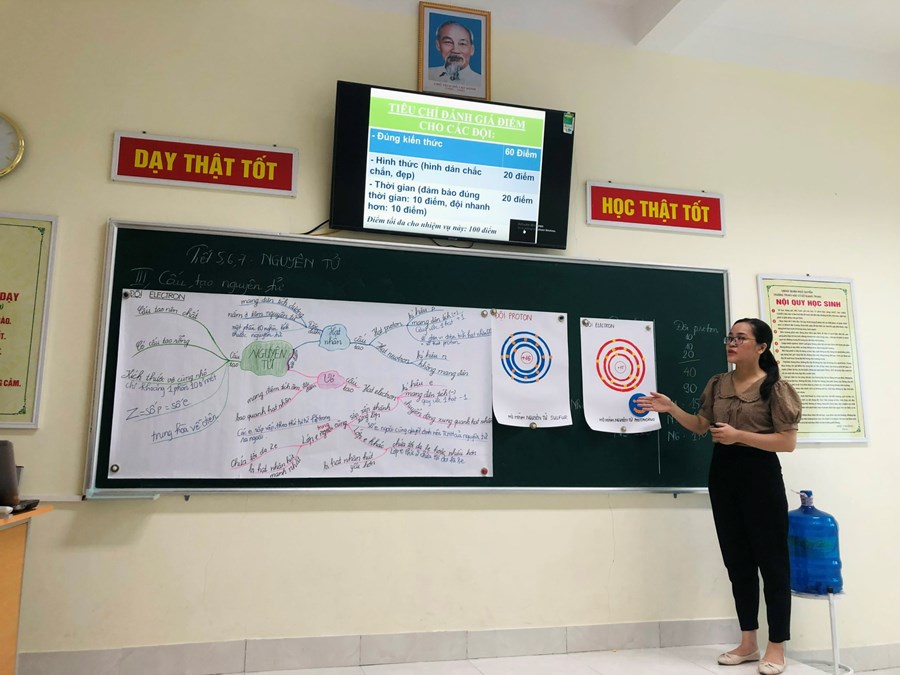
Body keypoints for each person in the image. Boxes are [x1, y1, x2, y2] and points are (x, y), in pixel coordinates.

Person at [636, 318, 801, 675]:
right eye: (730, 337)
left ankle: (776, 647)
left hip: (760, 477)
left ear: (761, 347)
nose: (732, 342)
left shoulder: (775, 387)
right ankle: (748, 642)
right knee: (737, 562)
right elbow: (701, 425)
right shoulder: (718, 383)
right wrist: (671, 408)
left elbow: (787, 442)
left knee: (772, 563)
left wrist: (740, 436)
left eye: (741, 338)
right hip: (723, 477)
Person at [428, 20, 483, 88]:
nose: (455, 50)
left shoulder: (481, 82)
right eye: (448, 42)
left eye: (462, 44)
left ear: (472, 49)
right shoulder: (427, 74)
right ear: (438, 45)